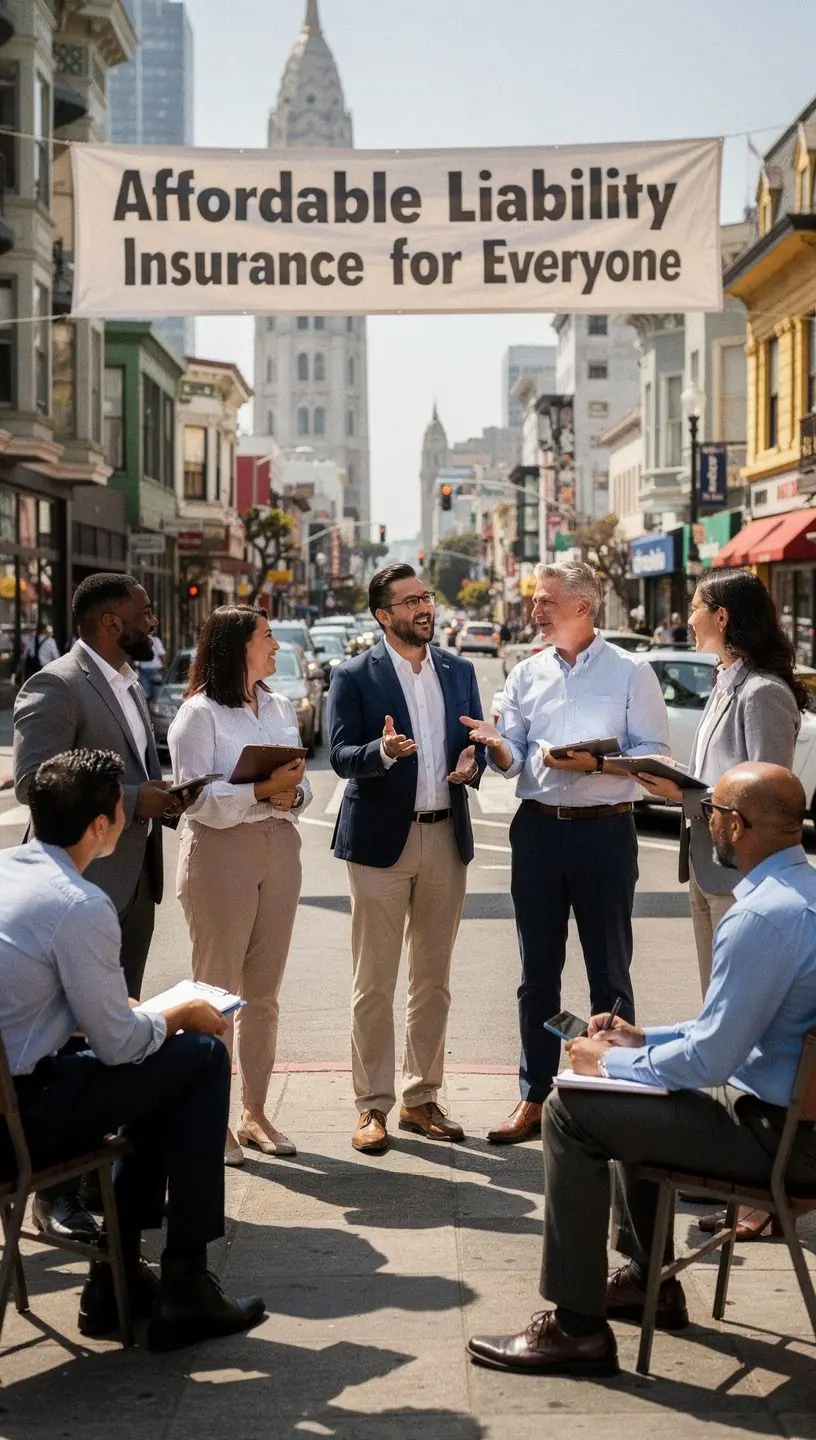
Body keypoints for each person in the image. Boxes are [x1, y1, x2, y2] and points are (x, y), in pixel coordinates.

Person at [466, 763, 816, 1376]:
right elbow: (730, 1030)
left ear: (735, 824)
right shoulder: (802, 897)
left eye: (712, 814)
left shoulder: (759, 917)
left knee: (570, 1110)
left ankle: (578, 1329)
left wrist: (614, 1060)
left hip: (781, 1140)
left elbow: (711, 1058)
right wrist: (643, 1039)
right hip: (790, 1122)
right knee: (638, 1082)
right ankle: (642, 1277)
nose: (706, 824)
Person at [0, 749, 265, 1351]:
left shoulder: (8, 871)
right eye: (122, 805)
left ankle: (116, 1273)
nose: (128, 814)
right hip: (18, 1121)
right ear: (101, 825)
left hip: (17, 1091)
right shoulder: (79, 902)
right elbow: (119, 1046)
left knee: (162, 1069)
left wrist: (134, 1016)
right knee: (199, 1057)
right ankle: (184, 1279)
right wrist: (174, 1014)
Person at [462, 560, 670, 1145]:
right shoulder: (526, 675)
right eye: (535, 599)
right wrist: (497, 746)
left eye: (546, 600)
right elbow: (516, 757)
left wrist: (599, 763)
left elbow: (654, 754)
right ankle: (535, 1092)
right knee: (537, 975)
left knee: (610, 974)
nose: (534, 610)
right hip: (538, 833)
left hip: (605, 833)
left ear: (582, 606)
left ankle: (616, 1095)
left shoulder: (633, 672)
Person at [634, 569, 808, 1241]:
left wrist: (687, 792)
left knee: (751, 1027)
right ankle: (743, 1174)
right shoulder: (726, 680)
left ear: (725, 617)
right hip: (711, 866)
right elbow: (719, 788)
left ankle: (764, 1188)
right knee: (721, 1014)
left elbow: (767, 796)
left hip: (746, 873)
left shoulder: (762, 693)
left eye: (698, 607)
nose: (688, 615)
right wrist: (676, 790)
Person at [13, 574, 185, 1244]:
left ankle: (95, 1179)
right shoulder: (56, 683)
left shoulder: (127, 680)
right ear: (113, 623)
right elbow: (34, 780)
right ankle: (51, 1193)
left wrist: (160, 797)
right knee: (63, 1040)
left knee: (113, 1033)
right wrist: (137, 796)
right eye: (145, 613)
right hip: (76, 883)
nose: (154, 623)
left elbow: (132, 768)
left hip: (132, 877)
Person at [328, 564, 485, 1155]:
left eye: (426, 598)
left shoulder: (460, 670)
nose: (424, 607)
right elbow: (341, 755)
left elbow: (473, 744)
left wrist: (475, 764)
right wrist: (383, 752)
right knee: (374, 981)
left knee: (433, 979)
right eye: (410, 600)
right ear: (383, 614)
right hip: (378, 844)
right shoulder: (353, 675)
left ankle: (421, 1098)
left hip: (446, 837)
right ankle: (372, 1107)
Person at [169, 606, 311, 1166]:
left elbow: (301, 784)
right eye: (268, 637)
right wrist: (259, 792)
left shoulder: (277, 706)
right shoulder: (197, 716)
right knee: (217, 996)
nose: (275, 646)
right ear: (236, 647)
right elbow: (195, 800)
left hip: (281, 850)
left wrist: (288, 795)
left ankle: (254, 1112)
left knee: (265, 995)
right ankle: (214, 1120)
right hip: (220, 856)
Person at [138, 626, 166, 701]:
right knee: (156, 696)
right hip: (154, 670)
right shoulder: (156, 640)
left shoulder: (140, 641)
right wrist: (164, 666)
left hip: (144, 670)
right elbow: (161, 655)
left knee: (145, 696)